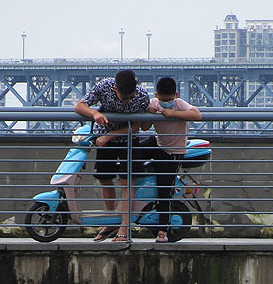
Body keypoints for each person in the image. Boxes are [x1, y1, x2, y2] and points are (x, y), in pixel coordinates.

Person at [74, 70, 150, 242]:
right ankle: (110, 221)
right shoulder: (104, 86)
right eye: (125, 98)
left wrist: (110, 135)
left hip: (128, 139)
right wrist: (94, 113)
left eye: (131, 97)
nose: (129, 101)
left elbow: (137, 125)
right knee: (104, 177)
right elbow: (80, 105)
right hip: (104, 139)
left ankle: (124, 226)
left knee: (126, 182)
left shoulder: (142, 95)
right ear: (115, 88)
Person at [141, 77, 202, 243]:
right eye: (162, 100)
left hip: (173, 151)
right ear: (156, 95)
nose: (165, 103)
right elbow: (145, 127)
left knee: (164, 191)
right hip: (158, 142)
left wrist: (173, 114)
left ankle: (163, 230)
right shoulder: (154, 103)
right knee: (135, 151)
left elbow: (197, 115)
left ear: (175, 95)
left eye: (169, 100)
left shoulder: (180, 104)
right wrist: (149, 114)